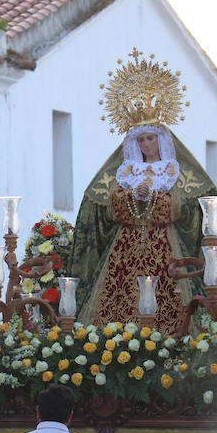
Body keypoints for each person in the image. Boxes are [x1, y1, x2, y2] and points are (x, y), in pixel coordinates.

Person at [86, 125, 186, 326]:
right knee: (122, 288)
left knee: (165, 288)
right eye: (141, 140)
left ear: (160, 139)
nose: (146, 144)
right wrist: (133, 195)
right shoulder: (128, 170)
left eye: (150, 138)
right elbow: (113, 204)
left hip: (162, 240)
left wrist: (152, 195)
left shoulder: (170, 169)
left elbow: (178, 206)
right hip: (127, 242)